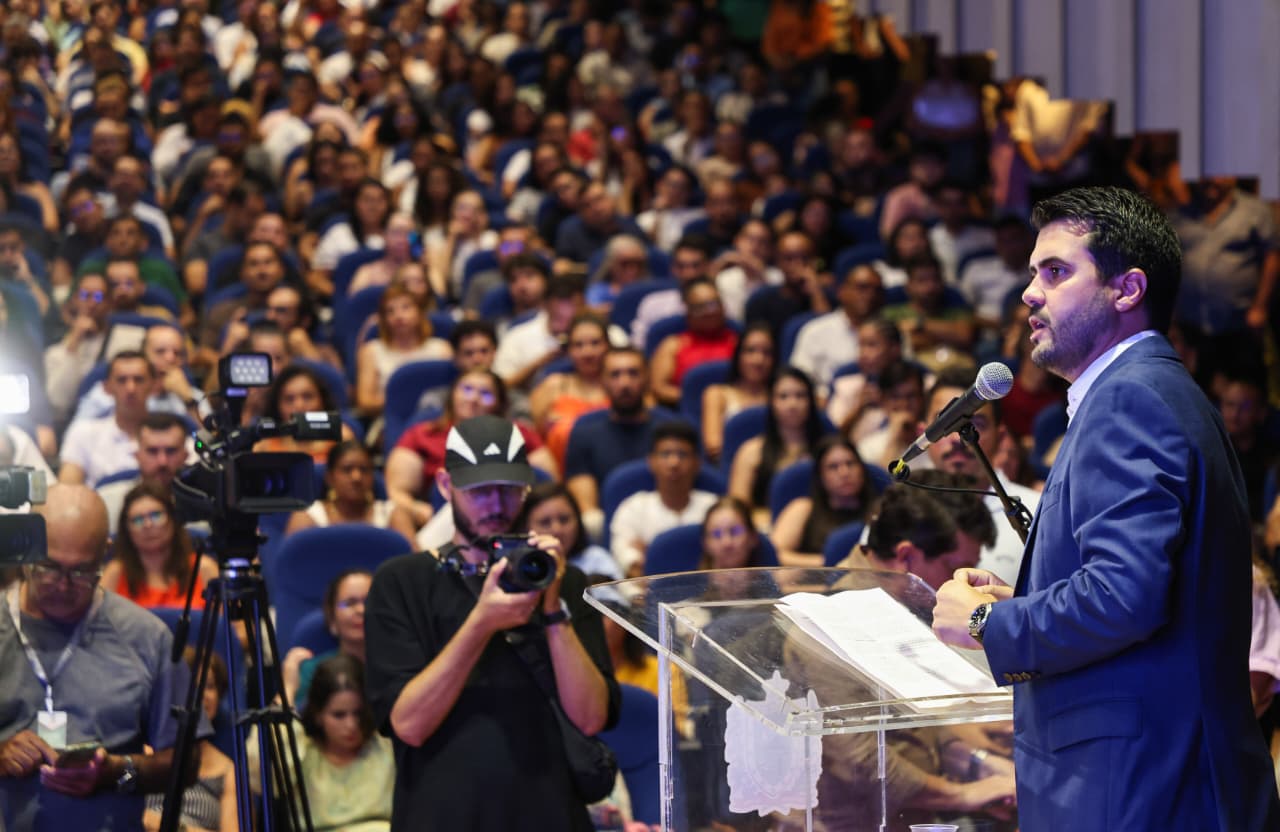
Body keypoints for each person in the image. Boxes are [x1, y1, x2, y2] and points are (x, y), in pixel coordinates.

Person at [932, 186, 1280, 829]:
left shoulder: (1130, 400)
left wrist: (987, 622)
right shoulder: (1148, 391)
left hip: (1143, 786)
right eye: (1032, 273)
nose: (1029, 293)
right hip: (1154, 776)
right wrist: (1023, 601)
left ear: (1128, 290)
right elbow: (1145, 590)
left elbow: (1125, 594)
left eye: (1055, 272)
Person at [364, 415, 620, 830]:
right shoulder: (401, 582)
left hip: (550, 814)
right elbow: (409, 725)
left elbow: (590, 718)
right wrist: (481, 623)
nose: (496, 505)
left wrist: (552, 609)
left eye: (508, 489)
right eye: (479, 491)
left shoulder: (564, 579)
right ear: (445, 486)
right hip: (442, 816)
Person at [0, 484, 203, 831]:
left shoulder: (146, 638)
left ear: (104, 554)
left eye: (81, 572)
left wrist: (118, 771)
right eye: (49, 567)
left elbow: (186, 763)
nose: (63, 585)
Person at [385, 370, 553, 528]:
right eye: (466, 389)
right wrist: (418, 510)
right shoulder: (423, 434)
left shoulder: (518, 434)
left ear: (500, 403)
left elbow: (548, 482)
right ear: (452, 395)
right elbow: (397, 490)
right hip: (442, 517)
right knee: (398, 514)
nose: (473, 399)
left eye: (486, 394)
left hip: (510, 515)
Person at [922, 368, 1042, 586]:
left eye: (975, 424)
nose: (957, 438)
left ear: (1000, 436)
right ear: (922, 432)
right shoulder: (898, 509)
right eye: (944, 422)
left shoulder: (1036, 512)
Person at [249, 655, 394, 832]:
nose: (351, 725)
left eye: (358, 713)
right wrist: (287, 689)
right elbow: (262, 776)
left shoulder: (386, 747)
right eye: (339, 715)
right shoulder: (302, 753)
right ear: (318, 715)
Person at [143, 649, 237, 832]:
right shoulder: (143, 753)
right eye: (190, 687)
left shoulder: (228, 772)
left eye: (209, 686)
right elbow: (118, 806)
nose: (201, 696)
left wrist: (174, 827)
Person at [609, 421, 719, 577]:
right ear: (651, 461)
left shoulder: (713, 507)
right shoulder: (633, 508)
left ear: (697, 463)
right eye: (665, 454)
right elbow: (631, 567)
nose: (674, 463)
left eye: (682, 454)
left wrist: (651, 554)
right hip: (644, 591)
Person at [728, 367, 827, 529]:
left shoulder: (827, 450)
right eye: (783, 396)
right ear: (771, 402)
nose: (792, 404)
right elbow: (737, 510)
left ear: (811, 401)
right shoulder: (751, 451)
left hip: (819, 529)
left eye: (800, 396)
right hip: (765, 528)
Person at [99, 482, 219, 610]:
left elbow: (229, 621)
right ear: (127, 529)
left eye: (156, 515)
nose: (148, 525)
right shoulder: (115, 573)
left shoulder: (204, 568)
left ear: (173, 519)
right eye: (137, 520)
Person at [769, 435, 876, 567]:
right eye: (833, 467)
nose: (844, 473)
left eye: (850, 464)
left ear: (862, 470)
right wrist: (828, 563)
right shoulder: (803, 509)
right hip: (812, 578)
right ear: (820, 476)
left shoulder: (879, 511)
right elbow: (775, 554)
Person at [285, 442, 416, 544]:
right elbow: (290, 565)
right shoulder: (308, 516)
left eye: (364, 470)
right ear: (330, 477)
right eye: (347, 470)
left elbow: (415, 564)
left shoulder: (392, 514)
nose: (356, 477)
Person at [354, 284, 452, 420]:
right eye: (390, 311)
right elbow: (365, 402)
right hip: (390, 420)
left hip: (438, 419)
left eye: (406, 307)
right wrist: (403, 401)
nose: (398, 315)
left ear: (419, 312)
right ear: (384, 319)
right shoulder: (371, 350)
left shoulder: (442, 348)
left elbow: (454, 392)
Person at [59, 351, 155, 487]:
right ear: (107, 387)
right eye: (122, 380)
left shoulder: (171, 434)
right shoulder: (83, 433)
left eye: (138, 380)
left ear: (153, 385)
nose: (131, 388)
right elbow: (67, 489)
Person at [281, 570, 373, 711]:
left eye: (369, 601)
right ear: (332, 619)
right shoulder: (313, 671)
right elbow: (281, 723)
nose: (361, 610)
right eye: (349, 603)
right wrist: (288, 686)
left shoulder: (402, 665)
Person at [649, 278, 738, 408]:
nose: (709, 312)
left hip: (733, 407)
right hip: (684, 410)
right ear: (688, 312)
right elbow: (659, 388)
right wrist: (699, 399)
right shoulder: (673, 345)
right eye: (700, 307)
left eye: (714, 304)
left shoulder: (738, 342)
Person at [701, 321, 776, 464]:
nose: (758, 360)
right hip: (729, 465)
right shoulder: (717, 393)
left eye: (767, 353)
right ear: (738, 355)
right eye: (750, 351)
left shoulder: (781, 397)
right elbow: (713, 446)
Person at [519, 483, 622, 583]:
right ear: (525, 528)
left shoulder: (597, 559)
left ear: (578, 521)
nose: (557, 530)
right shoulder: (517, 567)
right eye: (545, 522)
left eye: (564, 519)